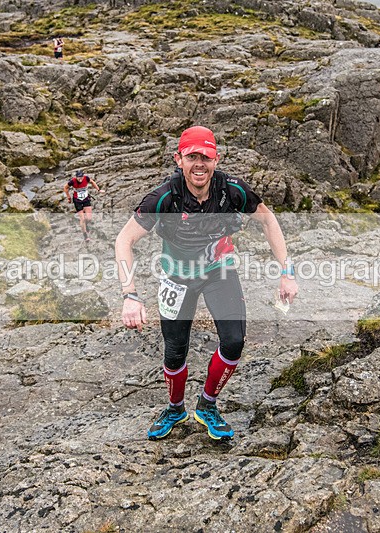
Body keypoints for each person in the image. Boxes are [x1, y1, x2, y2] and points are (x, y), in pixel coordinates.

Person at [114, 126, 298, 441]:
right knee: (174, 351)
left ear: (216, 159)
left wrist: (287, 271)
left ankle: (207, 405)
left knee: (234, 341)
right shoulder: (164, 197)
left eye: (206, 157)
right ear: (179, 159)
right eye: (192, 156)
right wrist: (130, 294)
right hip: (177, 276)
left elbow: (268, 220)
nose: (200, 164)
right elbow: (124, 240)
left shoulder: (233, 190)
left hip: (219, 271)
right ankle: (175, 408)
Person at [64, 169, 102, 241]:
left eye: (81, 177)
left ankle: (86, 225)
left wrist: (98, 190)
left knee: (89, 218)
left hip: (86, 199)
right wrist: (68, 197)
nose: (80, 178)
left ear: (83, 176)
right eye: (78, 177)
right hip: (77, 201)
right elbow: (65, 188)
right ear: (76, 177)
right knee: (82, 219)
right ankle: (85, 235)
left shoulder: (86, 178)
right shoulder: (72, 181)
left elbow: (92, 182)